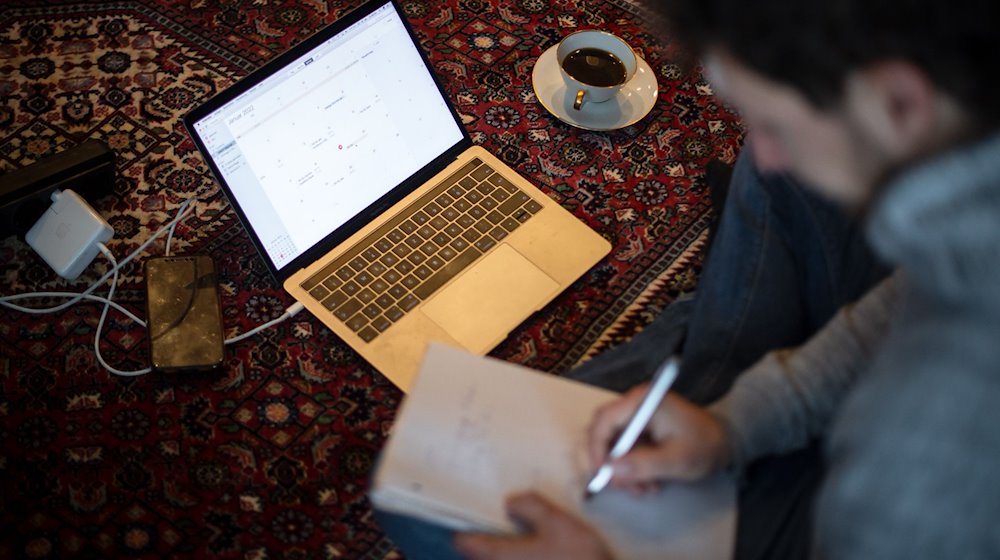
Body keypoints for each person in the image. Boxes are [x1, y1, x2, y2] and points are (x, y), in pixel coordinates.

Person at [438, 0, 1000, 558]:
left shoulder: (934, 453)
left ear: (901, 100)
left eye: (775, 125)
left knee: (434, 510)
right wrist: (735, 424)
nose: (768, 154)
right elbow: (891, 317)